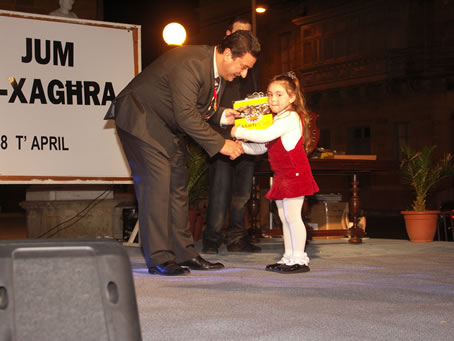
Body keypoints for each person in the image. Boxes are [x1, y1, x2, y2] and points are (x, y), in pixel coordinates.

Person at [106, 30, 261, 276]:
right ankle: (159, 258)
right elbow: (187, 116)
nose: (243, 74)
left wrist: (221, 115)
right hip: (140, 118)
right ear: (228, 54)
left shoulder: (215, 71)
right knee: (157, 185)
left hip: (165, 125)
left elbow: (197, 106)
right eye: (242, 67)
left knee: (178, 187)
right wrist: (222, 144)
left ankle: (185, 253)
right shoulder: (192, 64)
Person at [231, 71, 319, 274]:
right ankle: (288, 257)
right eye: (270, 94)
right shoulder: (279, 119)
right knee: (284, 217)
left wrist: (239, 131)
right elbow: (263, 147)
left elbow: (265, 136)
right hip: (282, 176)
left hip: (294, 174)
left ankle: (299, 259)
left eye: (279, 94)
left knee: (293, 217)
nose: (273, 99)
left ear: (292, 97)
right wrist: (240, 148)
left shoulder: (289, 117)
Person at [203, 16, 261, 254]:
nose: (246, 41)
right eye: (240, 35)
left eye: (249, 35)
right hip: (220, 136)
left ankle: (236, 238)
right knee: (219, 190)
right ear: (228, 35)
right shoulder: (216, 66)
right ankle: (211, 240)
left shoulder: (251, 66)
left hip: (247, 138)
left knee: (242, 193)